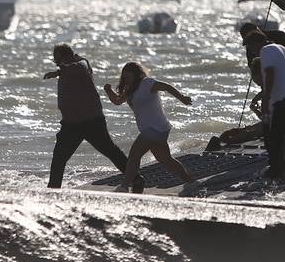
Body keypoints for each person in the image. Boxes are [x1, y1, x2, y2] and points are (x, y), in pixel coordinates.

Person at [45, 43, 144, 192]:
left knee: (110, 151)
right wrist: (60, 71)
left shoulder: (81, 64)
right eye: (56, 62)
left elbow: (79, 67)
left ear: (69, 56)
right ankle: (52, 190)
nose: (59, 64)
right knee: (59, 158)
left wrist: (58, 71)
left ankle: (136, 180)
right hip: (70, 124)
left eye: (60, 61)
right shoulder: (66, 69)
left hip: (91, 121)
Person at [104, 62, 193, 191]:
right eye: (125, 77)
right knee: (166, 160)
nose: (127, 80)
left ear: (137, 75)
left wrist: (182, 98)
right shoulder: (130, 89)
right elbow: (117, 101)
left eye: (129, 77)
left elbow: (167, 87)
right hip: (155, 130)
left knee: (134, 155)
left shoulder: (147, 83)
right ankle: (191, 182)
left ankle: (124, 186)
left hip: (155, 128)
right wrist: (108, 91)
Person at [245, 31, 285, 179]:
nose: (251, 51)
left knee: (275, 137)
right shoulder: (283, 49)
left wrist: (266, 98)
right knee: (281, 135)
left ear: (256, 43)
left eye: (251, 47)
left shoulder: (266, 51)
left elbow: (270, 73)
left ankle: (278, 171)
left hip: (281, 100)